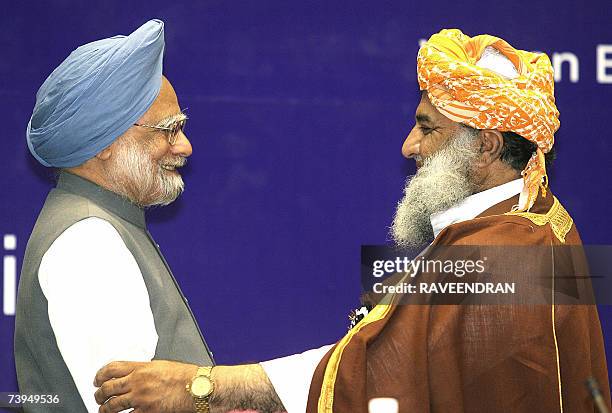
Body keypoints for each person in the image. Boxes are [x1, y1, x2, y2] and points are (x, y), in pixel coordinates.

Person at [93, 30, 610, 412]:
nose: (409, 147)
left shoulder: (504, 253)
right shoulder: (534, 223)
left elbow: (369, 373)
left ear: (488, 147)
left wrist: (200, 388)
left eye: (427, 130)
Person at [15, 20, 215, 412]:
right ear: (106, 141)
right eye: (168, 130)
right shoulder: (88, 242)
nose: (185, 146)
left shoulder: (106, 223)